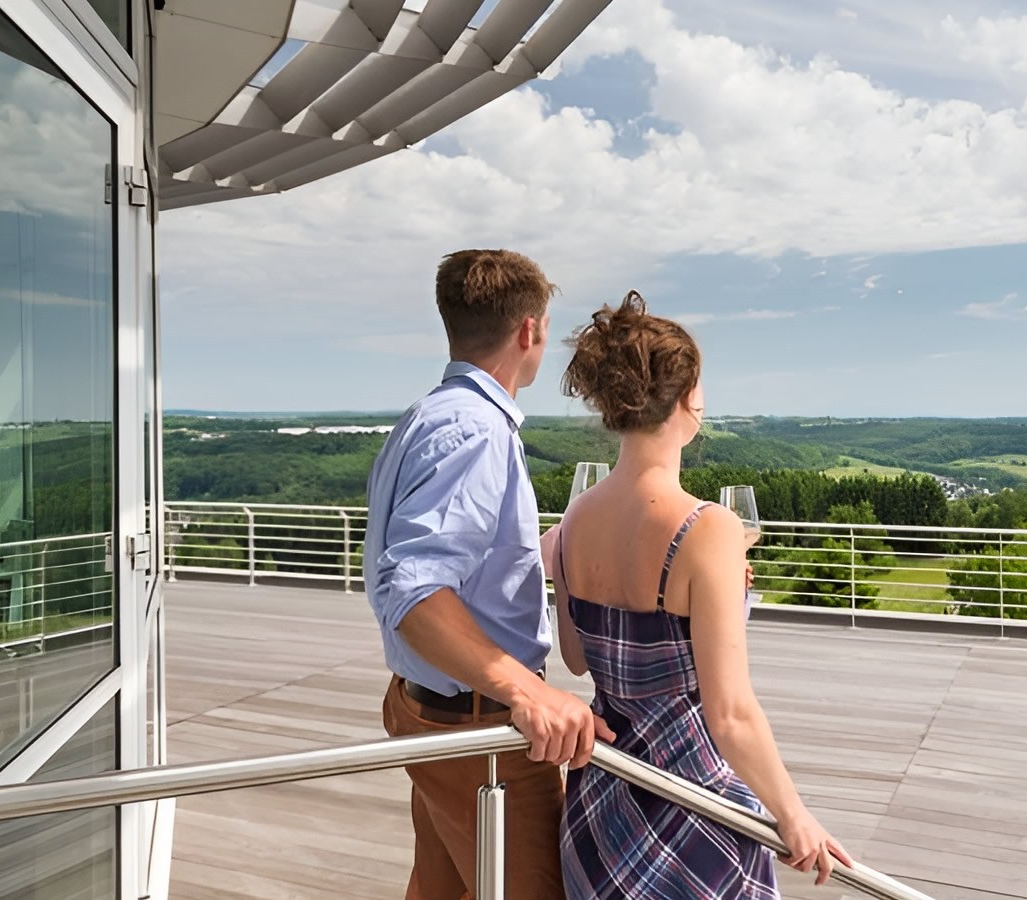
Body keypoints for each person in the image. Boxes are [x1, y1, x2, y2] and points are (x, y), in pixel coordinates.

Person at [551, 290, 853, 897]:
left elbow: (578, 659)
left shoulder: (572, 521)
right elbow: (731, 715)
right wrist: (794, 816)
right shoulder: (707, 528)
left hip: (602, 804)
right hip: (689, 800)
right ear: (687, 399)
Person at [363, 249, 615, 900]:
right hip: (481, 731)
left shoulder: (428, 416)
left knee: (443, 888)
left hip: (427, 710)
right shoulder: (477, 431)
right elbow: (415, 591)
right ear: (529, 330)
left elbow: (443, 557)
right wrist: (527, 693)